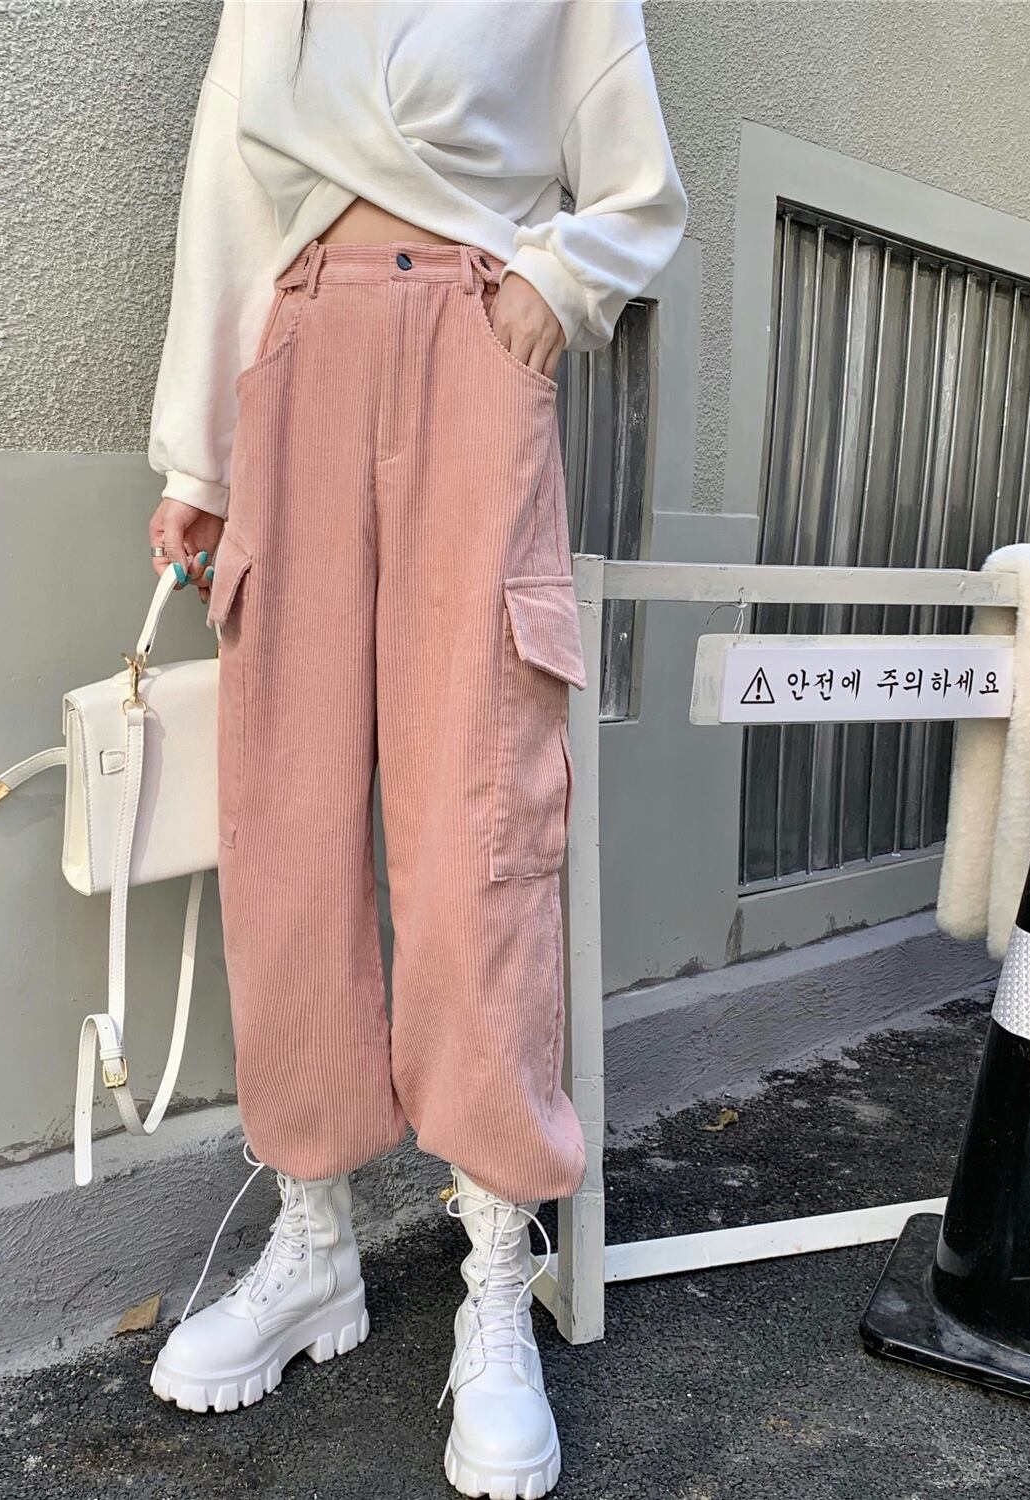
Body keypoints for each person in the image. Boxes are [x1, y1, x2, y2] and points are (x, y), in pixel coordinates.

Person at [143, 3, 684, 1494]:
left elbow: (637, 187)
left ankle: (497, 1269)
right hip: (300, 348)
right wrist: (198, 455)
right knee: (288, 819)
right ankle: (313, 1237)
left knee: (476, 822)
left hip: (470, 341)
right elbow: (224, 190)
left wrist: (554, 290)